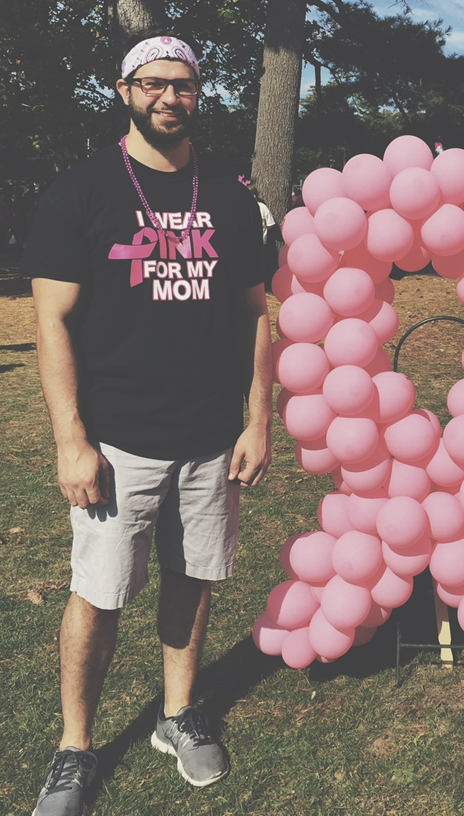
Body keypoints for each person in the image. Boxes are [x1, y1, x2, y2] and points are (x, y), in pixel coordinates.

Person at [23, 29, 274, 815]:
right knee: (99, 593)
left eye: (184, 84)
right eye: (154, 83)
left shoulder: (230, 198)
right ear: (125, 90)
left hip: (209, 434)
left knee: (194, 576)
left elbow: (255, 317)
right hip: (116, 438)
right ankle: (75, 747)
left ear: (199, 93)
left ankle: (176, 714)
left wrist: (258, 420)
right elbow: (52, 322)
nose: (171, 96)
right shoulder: (81, 191)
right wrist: (71, 438)